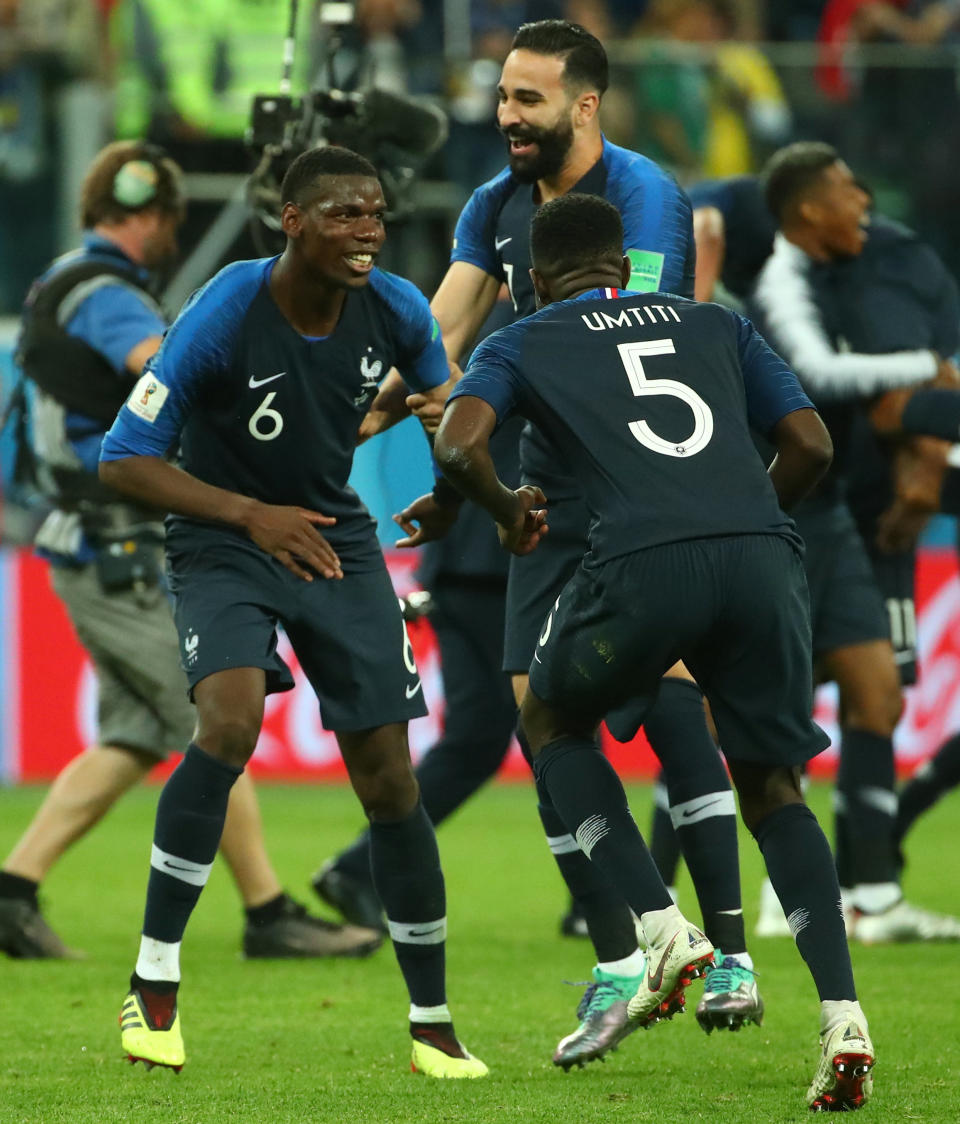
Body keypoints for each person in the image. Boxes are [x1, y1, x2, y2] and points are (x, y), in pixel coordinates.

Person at [317, 20, 763, 1068]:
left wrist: (480, 396)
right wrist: (363, 418)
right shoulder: (493, 202)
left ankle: (730, 950)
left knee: (668, 685)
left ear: (586, 104)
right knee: (533, 706)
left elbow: (645, 331)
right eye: (502, 96)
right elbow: (439, 332)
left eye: (527, 99)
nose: (506, 115)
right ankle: (632, 950)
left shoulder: (643, 196)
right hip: (540, 492)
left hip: (637, 484)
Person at [435, 191, 874, 1113]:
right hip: (763, 558)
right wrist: (745, 524)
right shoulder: (712, 320)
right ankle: (843, 1016)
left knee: (549, 719)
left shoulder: (522, 337)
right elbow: (810, 443)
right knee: (775, 787)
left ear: (531, 279)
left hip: (637, 563)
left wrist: (511, 514)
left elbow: (458, 442)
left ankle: (661, 927)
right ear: (627, 262)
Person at [98, 144, 487, 1080]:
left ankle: (432, 1023)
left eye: (377, 214)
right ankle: (155, 985)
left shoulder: (395, 307)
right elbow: (123, 458)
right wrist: (246, 515)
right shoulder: (227, 306)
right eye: (347, 214)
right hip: (224, 536)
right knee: (228, 724)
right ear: (294, 221)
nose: (368, 231)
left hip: (333, 540)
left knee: (391, 783)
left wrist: (457, 493)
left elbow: (446, 410)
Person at [0, 140, 380, 964]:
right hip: (117, 550)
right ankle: (269, 910)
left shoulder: (59, 280)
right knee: (219, 723)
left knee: (135, 738)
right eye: (174, 218)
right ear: (155, 214)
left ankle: (11, 890)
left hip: (86, 544)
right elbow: (167, 369)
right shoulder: (108, 295)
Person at [751, 141, 960, 942]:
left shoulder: (846, 280)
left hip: (831, 510)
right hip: (784, 513)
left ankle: (873, 894)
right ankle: (784, 894)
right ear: (808, 211)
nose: (863, 203)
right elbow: (818, 375)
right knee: (783, 705)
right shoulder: (782, 283)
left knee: (878, 692)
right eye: (845, 193)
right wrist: (927, 363)